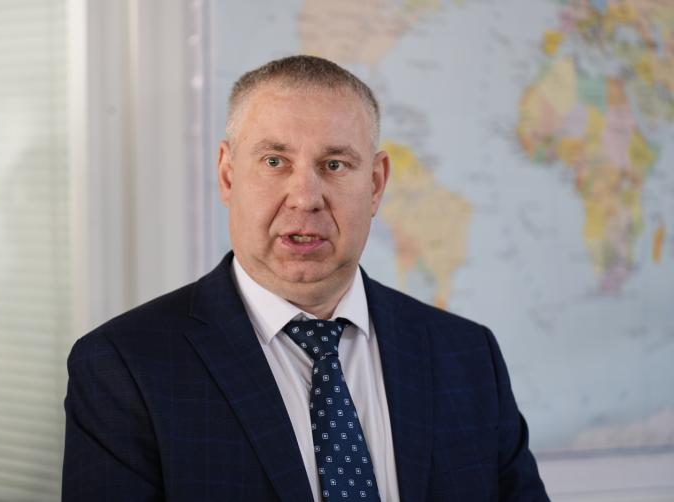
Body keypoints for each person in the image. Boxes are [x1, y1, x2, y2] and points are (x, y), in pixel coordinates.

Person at [62, 55, 549, 502]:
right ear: (228, 175)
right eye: (275, 162)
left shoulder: (467, 355)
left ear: (376, 183)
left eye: (334, 165)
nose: (305, 198)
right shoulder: (125, 367)